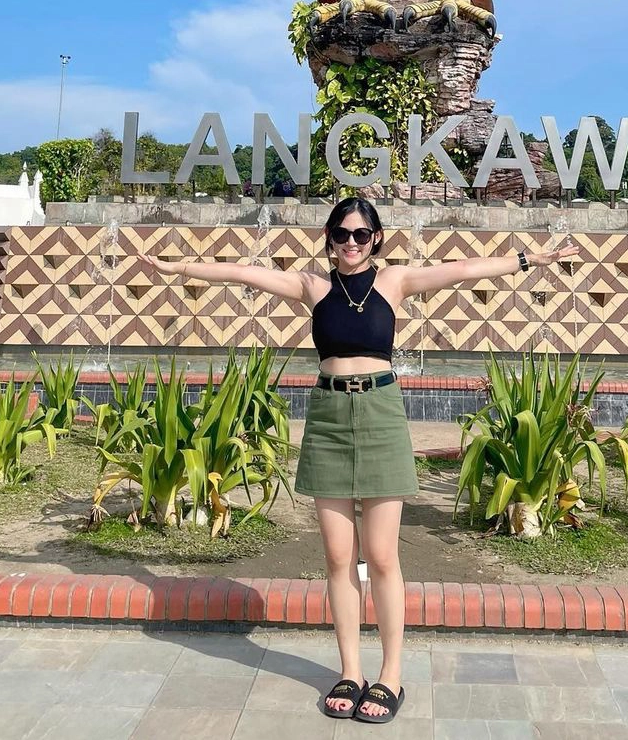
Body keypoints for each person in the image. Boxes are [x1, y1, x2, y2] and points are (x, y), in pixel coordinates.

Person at [143, 198, 580, 724]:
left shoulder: (393, 282)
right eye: (342, 234)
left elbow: (461, 270)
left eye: (361, 234)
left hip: (380, 411)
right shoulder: (313, 287)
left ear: (376, 238)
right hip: (328, 415)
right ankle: (351, 671)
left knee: (382, 554)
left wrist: (533, 259)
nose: (351, 243)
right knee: (336, 554)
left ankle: (390, 674)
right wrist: (179, 267)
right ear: (329, 237)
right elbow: (245, 274)